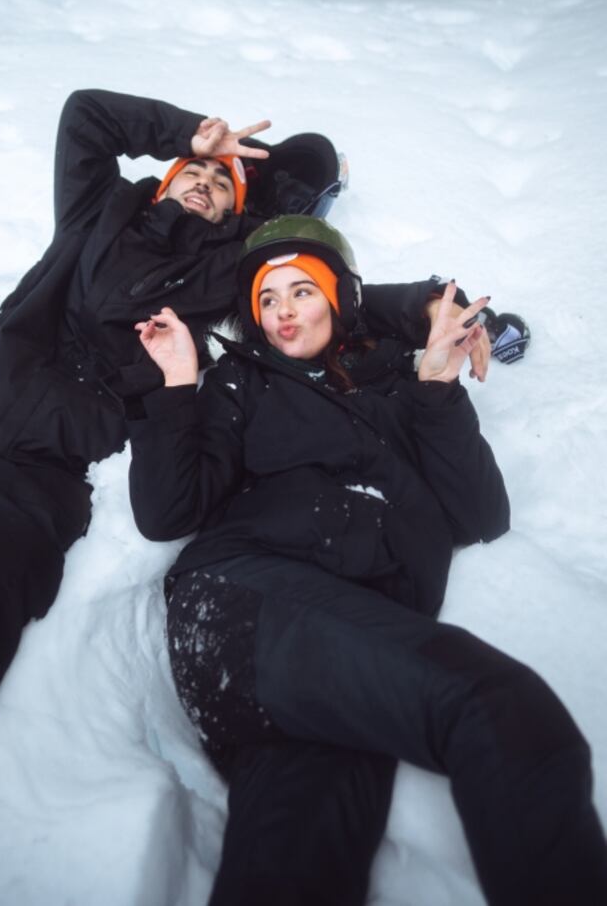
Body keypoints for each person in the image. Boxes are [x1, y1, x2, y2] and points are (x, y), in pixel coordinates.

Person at [0, 88, 475, 905]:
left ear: (235, 217)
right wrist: (192, 131)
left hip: (32, 484)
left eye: (224, 186)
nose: (206, 183)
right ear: (167, 176)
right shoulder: (96, 212)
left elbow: (324, 297)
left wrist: (423, 301)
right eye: (195, 173)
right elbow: (83, 116)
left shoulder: (228, 281)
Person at [128, 214, 607, 906]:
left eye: (301, 291)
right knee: (498, 709)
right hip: (243, 605)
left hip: (326, 658)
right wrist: (176, 384)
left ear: (336, 298)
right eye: (267, 298)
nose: (282, 311)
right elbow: (167, 511)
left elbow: (480, 515)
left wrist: (437, 390)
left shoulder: (395, 384)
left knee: (297, 866)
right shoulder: (243, 384)